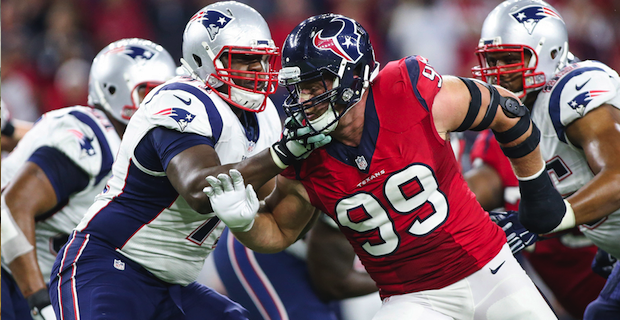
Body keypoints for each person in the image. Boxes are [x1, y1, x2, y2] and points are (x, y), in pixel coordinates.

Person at [203, 13, 576, 319]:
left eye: (317, 84)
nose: (306, 99)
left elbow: (507, 110)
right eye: (299, 87)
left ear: (355, 75)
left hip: (491, 270)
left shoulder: (408, 92)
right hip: (412, 300)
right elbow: (280, 232)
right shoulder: (303, 154)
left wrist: (537, 189)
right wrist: (245, 224)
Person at [47, 2, 310, 319]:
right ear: (204, 59)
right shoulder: (180, 98)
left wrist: (312, 165)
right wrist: (284, 154)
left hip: (172, 284)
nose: (257, 69)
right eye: (243, 59)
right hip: (108, 265)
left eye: (262, 59)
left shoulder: (265, 116)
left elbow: (271, 196)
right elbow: (200, 190)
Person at [1, 38, 176, 320]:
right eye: (151, 94)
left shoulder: (124, 146)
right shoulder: (93, 137)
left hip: (34, 275)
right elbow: (12, 207)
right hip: (13, 273)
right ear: (116, 89)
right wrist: (39, 299)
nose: (163, 106)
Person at [472, 0, 620, 318]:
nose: (498, 72)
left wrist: (553, 219)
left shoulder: (571, 90)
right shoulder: (521, 110)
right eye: (492, 60)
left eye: (510, 59)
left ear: (550, 52)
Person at [465, 129, 607, 318]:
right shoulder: (498, 133)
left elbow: (614, 177)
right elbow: (483, 187)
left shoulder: (578, 114)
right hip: (574, 300)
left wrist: (555, 217)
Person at [211, 215, 378, 320]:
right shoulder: (352, 187)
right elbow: (336, 285)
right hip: (258, 243)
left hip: (317, 257)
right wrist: (402, 276)